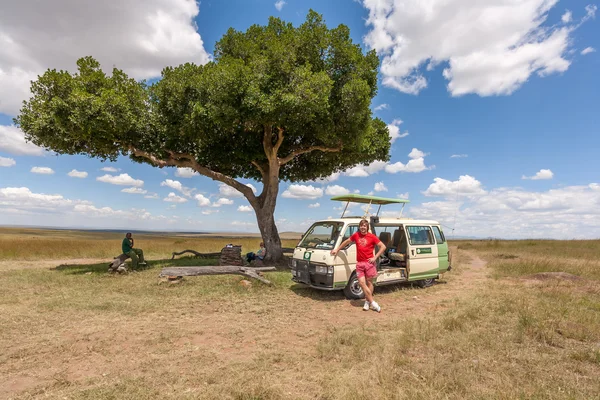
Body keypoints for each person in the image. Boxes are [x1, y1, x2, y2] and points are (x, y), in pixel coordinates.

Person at [331, 219, 386, 312]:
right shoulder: (356, 235)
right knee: (361, 283)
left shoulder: (372, 237)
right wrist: (337, 249)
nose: (363, 227)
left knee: (369, 283)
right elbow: (347, 242)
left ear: (367, 227)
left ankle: (367, 302)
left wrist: (375, 257)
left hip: (369, 263)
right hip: (360, 263)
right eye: (361, 226)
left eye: (364, 226)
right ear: (359, 227)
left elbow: (383, 246)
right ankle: (373, 302)